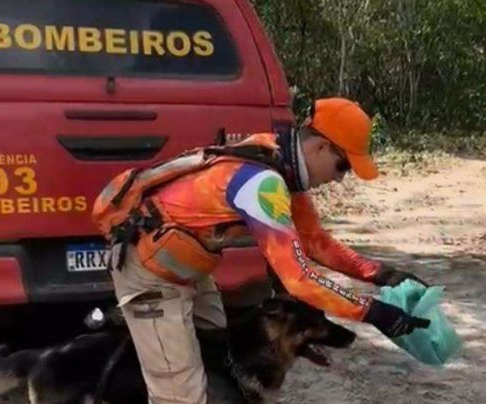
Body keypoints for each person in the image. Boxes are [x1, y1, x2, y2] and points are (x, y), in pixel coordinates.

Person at [107, 97, 430, 403]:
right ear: (320, 146)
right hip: (151, 275)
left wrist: (382, 274)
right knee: (180, 393)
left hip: (188, 269)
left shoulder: (280, 167)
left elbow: (315, 242)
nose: (340, 179)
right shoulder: (263, 183)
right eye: (342, 165)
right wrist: (372, 311)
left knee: (221, 358)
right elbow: (299, 279)